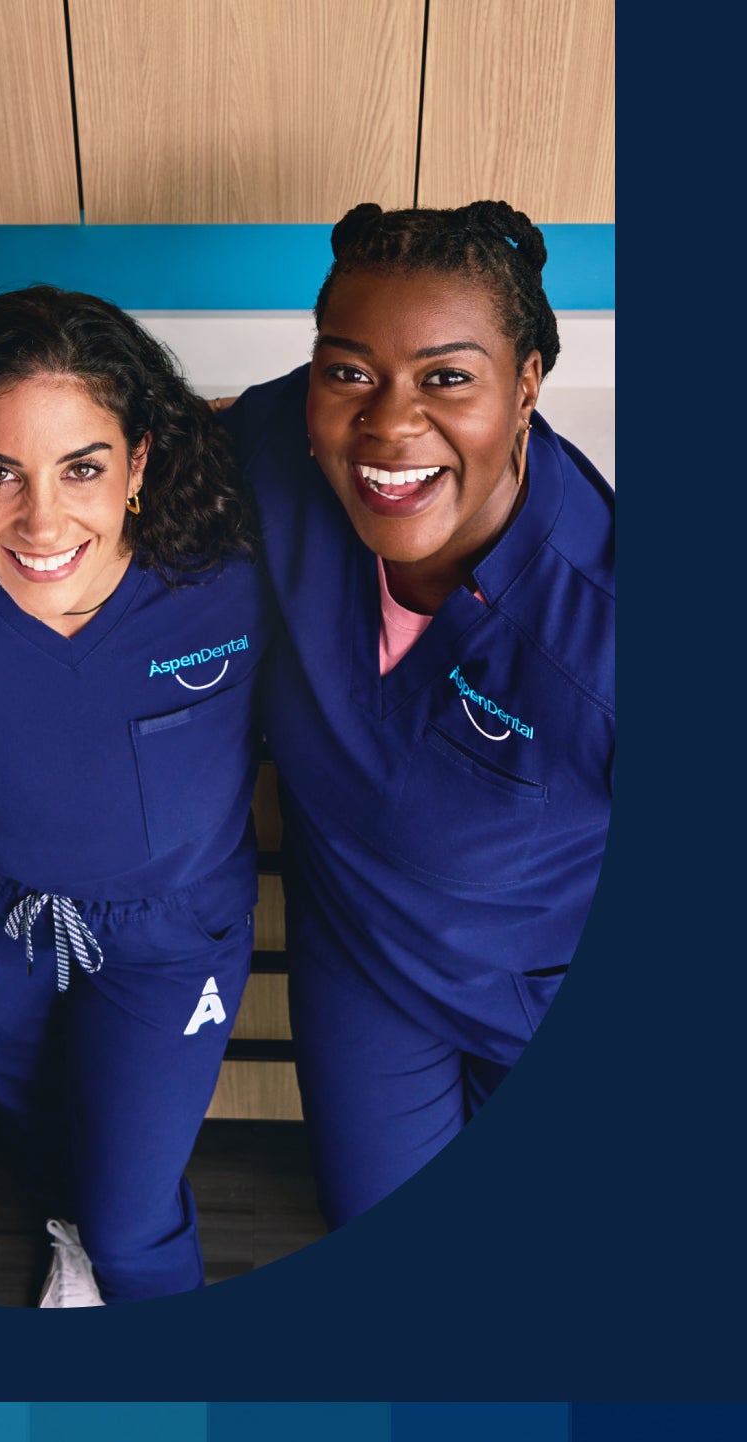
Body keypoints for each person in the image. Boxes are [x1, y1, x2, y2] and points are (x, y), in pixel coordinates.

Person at [0, 287, 268, 1305]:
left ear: (137, 463)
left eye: (82, 467)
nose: (43, 519)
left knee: (135, 1217)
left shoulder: (228, 567)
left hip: (173, 933)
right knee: (51, 1147)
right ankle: (72, 1240)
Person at [214, 202, 613, 1228]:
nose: (388, 423)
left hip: (540, 987)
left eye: (447, 377)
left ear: (525, 386)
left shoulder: (603, 629)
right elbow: (86, 445)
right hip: (364, 961)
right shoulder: (274, 449)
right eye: (349, 370)